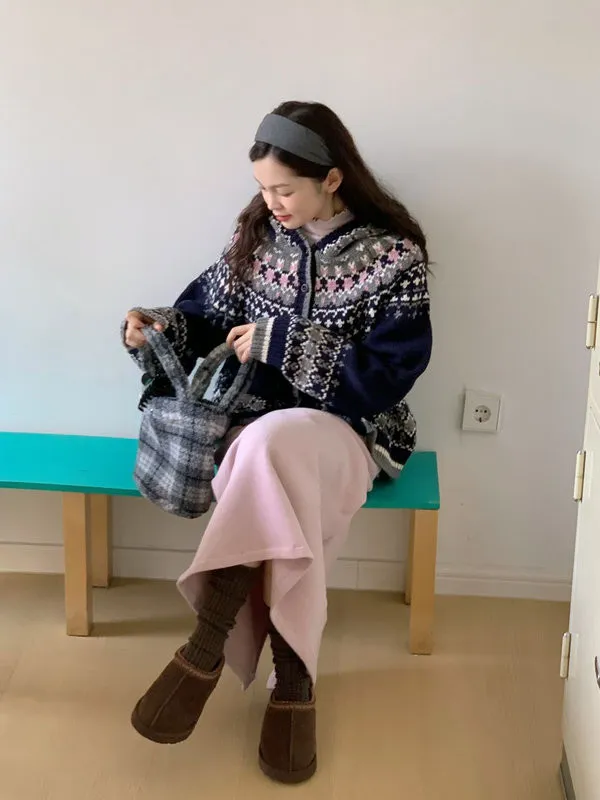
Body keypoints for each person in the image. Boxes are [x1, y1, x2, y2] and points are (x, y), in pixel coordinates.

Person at [122, 100, 432, 784]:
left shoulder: (393, 258)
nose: (271, 203)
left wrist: (284, 342)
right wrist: (158, 326)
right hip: (259, 439)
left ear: (332, 178)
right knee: (267, 450)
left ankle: (207, 645)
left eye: (284, 189)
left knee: (271, 447)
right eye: (263, 188)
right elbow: (205, 316)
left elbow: (389, 375)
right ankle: (293, 683)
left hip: (351, 433)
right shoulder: (257, 239)